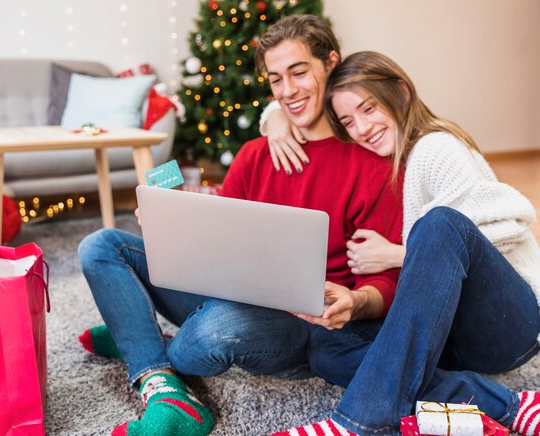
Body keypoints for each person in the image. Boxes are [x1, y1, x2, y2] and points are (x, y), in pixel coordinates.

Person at [77, 17, 405, 436]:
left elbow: (389, 280)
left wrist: (356, 303)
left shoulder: (370, 161)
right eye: (276, 79)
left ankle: (136, 337)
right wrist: (172, 224)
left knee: (205, 338)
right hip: (230, 292)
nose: (288, 92)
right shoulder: (255, 153)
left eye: (299, 72)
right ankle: (164, 388)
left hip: (300, 323)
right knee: (100, 246)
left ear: (330, 63)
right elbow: (220, 241)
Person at [268, 51, 540, 436]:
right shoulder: (383, 158)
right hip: (448, 331)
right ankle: (509, 406)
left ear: (401, 93)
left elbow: (507, 222)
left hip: (508, 325)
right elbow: (302, 110)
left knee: (440, 223)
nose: (362, 128)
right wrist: (275, 117)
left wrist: (397, 253)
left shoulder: (435, 148)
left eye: (369, 108)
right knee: (329, 349)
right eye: (349, 120)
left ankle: (358, 420)